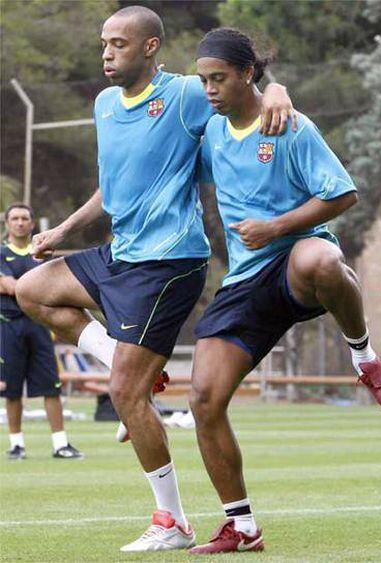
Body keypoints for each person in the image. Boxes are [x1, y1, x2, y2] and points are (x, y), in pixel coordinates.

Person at [15, 6, 296, 552]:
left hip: (170, 262)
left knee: (124, 392)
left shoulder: (187, 94)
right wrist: (66, 228)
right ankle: (125, 361)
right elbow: (113, 187)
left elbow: (240, 84)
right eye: (103, 43)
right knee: (32, 289)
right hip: (121, 253)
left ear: (149, 48)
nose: (106, 53)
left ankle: (171, 521)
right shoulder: (102, 104)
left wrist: (277, 88)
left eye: (118, 43)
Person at [188, 28, 381, 555]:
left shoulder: (291, 125)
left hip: (294, 262)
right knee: (202, 399)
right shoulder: (212, 134)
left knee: (324, 257)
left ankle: (366, 358)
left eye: (219, 78)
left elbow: (343, 194)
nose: (210, 90)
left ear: (247, 74)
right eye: (203, 81)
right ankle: (241, 528)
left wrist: (276, 226)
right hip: (243, 284)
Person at [0, 203, 83, 460]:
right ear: (7, 224)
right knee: (12, 389)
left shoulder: (43, 253)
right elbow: (9, 286)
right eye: (15, 218)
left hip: (41, 326)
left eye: (25, 218)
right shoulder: (1, 253)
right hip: (9, 326)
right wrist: (33, 286)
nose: (20, 223)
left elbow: (56, 286)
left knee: (51, 386)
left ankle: (60, 444)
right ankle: (17, 445)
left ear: (32, 223)